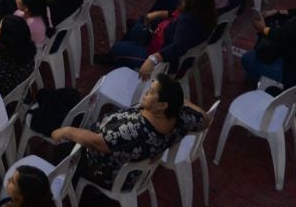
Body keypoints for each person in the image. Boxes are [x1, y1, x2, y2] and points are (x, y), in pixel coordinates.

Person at [47, 71, 209, 190]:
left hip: (103, 170)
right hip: (132, 167)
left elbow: (97, 142)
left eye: (152, 92)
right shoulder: (181, 118)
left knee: (58, 152)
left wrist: (66, 131)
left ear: (162, 105)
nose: (146, 92)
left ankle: (73, 194)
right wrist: (181, 102)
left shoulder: (132, 131)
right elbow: (204, 119)